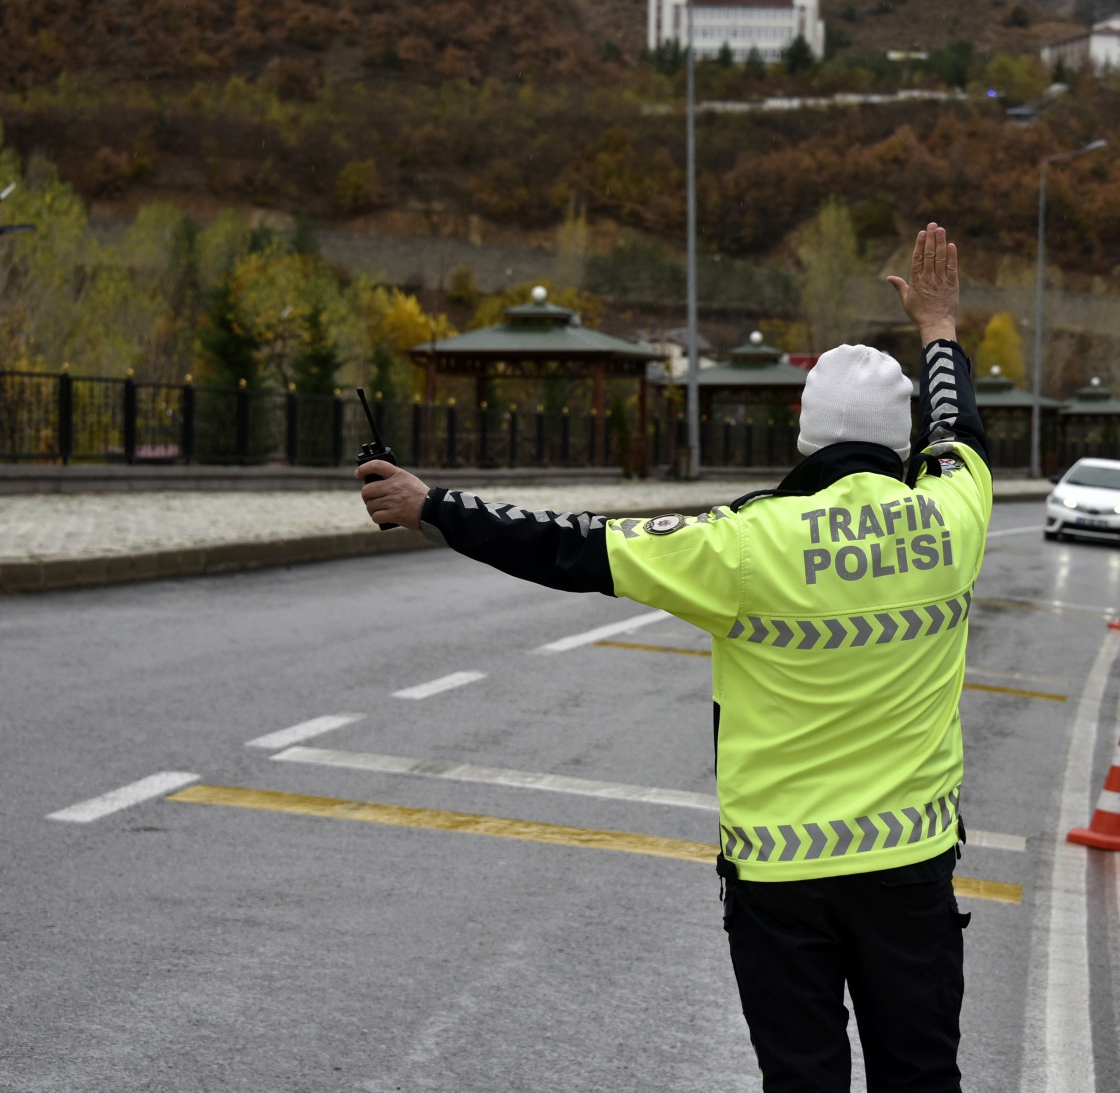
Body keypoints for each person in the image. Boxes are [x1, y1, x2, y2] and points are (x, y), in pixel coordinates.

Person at [358, 223, 991, 1093]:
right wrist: (940, 327)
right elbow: (959, 426)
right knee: (921, 1078)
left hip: (780, 876)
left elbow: (573, 546)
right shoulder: (953, 519)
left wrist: (433, 505)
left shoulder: (744, 543)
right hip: (910, 867)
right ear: (901, 440)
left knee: (802, 1081)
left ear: (804, 435)